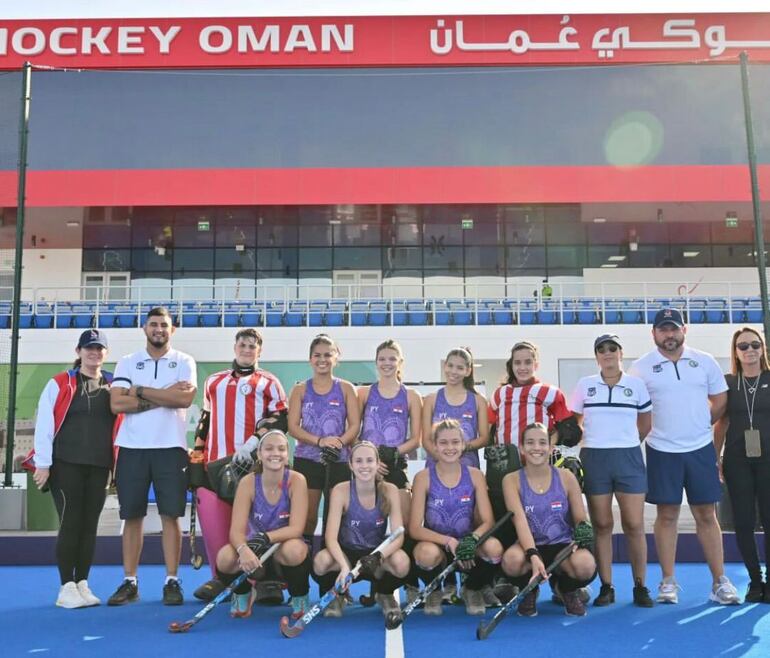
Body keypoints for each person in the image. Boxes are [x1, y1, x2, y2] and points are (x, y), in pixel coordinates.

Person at [630, 308, 738, 605]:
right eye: (663, 330)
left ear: (684, 331)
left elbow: (720, 400)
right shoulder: (640, 368)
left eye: (673, 329)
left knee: (706, 514)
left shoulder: (704, 361)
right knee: (667, 516)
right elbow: (637, 410)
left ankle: (719, 582)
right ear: (654, 334)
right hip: (662, 450)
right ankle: (667, 581)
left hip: (700, 448)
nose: (669, 335)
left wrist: (702, 424)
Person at [107, 306, 197, 606]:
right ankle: (130, 581)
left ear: (173, 329)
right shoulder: (128, 361)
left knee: (171, 516)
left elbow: (183, 398)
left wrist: (142, 390)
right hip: (132, 449)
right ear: (144, 328)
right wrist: (163, 394)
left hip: (170, 449)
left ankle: (172, 580)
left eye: (164, 325)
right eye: (153, 324)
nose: (159, 329)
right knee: (132, 516)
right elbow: (117, 404)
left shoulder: (184, 361)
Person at [191, 328, 288, 603]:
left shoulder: (269, 382)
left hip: (255, 465)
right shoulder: (214, 381)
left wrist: (254, 442)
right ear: (235, 347)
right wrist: (197, 459)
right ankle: (222, 578)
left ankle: (267, 579)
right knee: (219, 525)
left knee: (259, 522)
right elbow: (204, 422)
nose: (247, 349)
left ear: (260, 351)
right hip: (217, 463)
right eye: (242, 344)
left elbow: (281, 420)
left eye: (252, 346)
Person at [30, 330, 119, 608]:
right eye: (89, 348)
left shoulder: (113, 384)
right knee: (71, 522)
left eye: (99, 348)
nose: (94, 353)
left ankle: (82, 582)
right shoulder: (60, 383)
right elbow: (45, 423)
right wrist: (43, 463)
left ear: (106, 353)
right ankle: (65, 587)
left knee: (89, 525)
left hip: (100, 466)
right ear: (79, 351)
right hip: (65, 464)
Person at [570, 334, 654, 607]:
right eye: (601, 350)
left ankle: (640, 586)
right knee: (602, 525)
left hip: (628, 457)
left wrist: (625, 443)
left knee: (634, 524)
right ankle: (606, 586)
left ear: (621, 353)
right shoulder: (585, 385)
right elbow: (575, 422)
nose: (607, 354)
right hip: (595, 458)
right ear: (596, 356)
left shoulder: (636, 385)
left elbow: (645, 424)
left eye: (612, 348)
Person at [501, 422, 597, 617]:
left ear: (551, 448)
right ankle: (530, 590)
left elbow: (580, 517)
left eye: (542, 443)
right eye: (530, 442)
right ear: (521, 448)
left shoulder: (567, 477)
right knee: (511, 561)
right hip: (530, 544)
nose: (536, 448)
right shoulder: (511, 480)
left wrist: (583, 528)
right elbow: (519, 520)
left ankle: (566, 590)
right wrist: (533, 554)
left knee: (586, 565)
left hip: (563, 546)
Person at [409, 419, 503, 616]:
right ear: (434, 446)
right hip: (437, 544)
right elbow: (415, 528)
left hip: (468, 544)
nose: (449, 447)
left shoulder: (476, 475)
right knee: (425, 555)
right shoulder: (423, 477)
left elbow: (488, 521)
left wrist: (471, 539)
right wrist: (448, 541)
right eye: (443, 443)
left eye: (454, 442)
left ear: (463, 445)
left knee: (494, 549)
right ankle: (434, 590)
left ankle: (472, 588)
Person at [215, 430, 311, 618]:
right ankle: (243, 594)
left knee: (295, 550)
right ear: (259, 454)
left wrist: (265, 537)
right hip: (256, 554)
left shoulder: (296, 480)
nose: (275, 453)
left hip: (284, 551)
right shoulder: (248, 482)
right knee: (225, 558)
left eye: (281, 449)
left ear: (287, 454)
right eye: (269, 449)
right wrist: (243, 550)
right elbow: (236, 531)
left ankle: (300, 596)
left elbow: (296, 528)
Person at [312, 441, 410, 617]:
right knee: (320, 562)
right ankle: (338, 595)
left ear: (377, 463)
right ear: (350, 464)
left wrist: (378, 556)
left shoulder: (390, 490)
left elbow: (398, 536)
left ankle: (384, 593)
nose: (364, 466)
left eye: (369, 460)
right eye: (358, 461)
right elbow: (331, 538)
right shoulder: (341, 490)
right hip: (347, 555)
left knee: (402, 563)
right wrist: (343, 567)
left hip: (375, 556)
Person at [422, 347, 488, 603]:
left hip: (468, 466)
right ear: (445, 366)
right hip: (436, 467)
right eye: (451, 365)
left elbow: (483, 436)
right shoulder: (431, 399)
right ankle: (446, 583)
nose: (454, 371)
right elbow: (425, 438)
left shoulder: (477, 401)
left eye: (460, 367)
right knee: (438, 520)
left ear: (468, 371)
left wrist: (459, 450)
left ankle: (471, 582)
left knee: (466, 521)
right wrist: (443, 457)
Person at [358, 340, 423, 601]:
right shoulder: (363, 393)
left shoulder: (411, 396)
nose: (387, 363)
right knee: (370, 526)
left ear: (400, 363)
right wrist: (371, 461)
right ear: (376, 362)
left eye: (392, 358)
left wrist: (394, 454)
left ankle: (410, 583)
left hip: (395, 465)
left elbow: (415, 439)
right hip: (366, 468)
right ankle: (376, 587)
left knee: (404, 527)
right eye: (382, 358)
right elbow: (355, 432)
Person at [714, 327, 770, 603]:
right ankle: (755, 581)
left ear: (763, 349)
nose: (750, 350)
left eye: (755, 345)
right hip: (737, 460)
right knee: (744, 522)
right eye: (743, 346)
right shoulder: (728, 383)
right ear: (735, 352)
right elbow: (722, 422)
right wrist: (715, 456)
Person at [288, 334, 361, 544]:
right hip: (307, 461)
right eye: (317, 355)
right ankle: (304, 560)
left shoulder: (346, 388)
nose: (322, 359)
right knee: (308, 517)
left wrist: (338, 443)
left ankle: (331, 565)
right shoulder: (300, 389)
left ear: (336, 358)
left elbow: (354, 425)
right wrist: (320, 441)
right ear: (310, 359)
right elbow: (293, 427)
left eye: (328, 355)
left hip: (338, 461)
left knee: (335, 518)